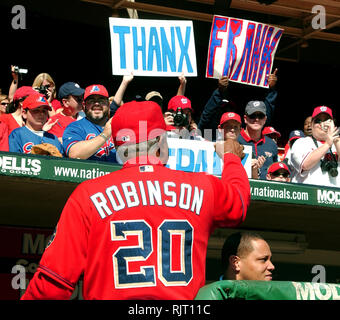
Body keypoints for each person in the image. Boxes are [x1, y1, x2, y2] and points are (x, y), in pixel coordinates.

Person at [21, 100, 250, 300]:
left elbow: (53, 283)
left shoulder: (88, 194)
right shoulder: (201, 186)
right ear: (161, 141)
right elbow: (238, 202)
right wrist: (230, 158)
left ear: (120, 147)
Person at [198, 69, 278, 142]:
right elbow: (206, 115)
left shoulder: (242, 138)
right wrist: (219, 92)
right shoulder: (209, 133)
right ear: (220, 127)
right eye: (224, 109)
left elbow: (265, 117)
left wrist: (271, 89)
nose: (228, 111)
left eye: (231, 108)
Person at [62, 84, 117, 162]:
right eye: (91, 101)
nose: (97, 104)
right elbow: (74, 154)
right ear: (84, 106)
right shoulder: (75, 127)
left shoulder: (120, 126)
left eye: (101, 100)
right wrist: (105, 135)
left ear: (108, 104)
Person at [290, 106, 340, 187]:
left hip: (334, 196)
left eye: (327, 120)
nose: (323, 124)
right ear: (312, 125)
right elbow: (305, 165)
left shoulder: (337, 143)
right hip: (308, 195)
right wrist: (327, 144)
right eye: (318, 121)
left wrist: (335, 137)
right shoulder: (301, 142)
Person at [238, 100, 278, 180]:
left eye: (260, 116)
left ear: (265, 119)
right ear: (245, 119)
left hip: (265, 190)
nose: (256, 119)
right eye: (252, 115)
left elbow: (275, 173)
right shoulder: (235, 140)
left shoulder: (271, 144)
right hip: (240, 187)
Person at [217, 111, 264, 179]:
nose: (232, 130)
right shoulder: (210, 148)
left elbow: (255, 183)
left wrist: (254, 169)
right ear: (220, 129)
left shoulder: (248, 152)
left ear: (240, 130)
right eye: (228, 126)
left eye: (235, 127)